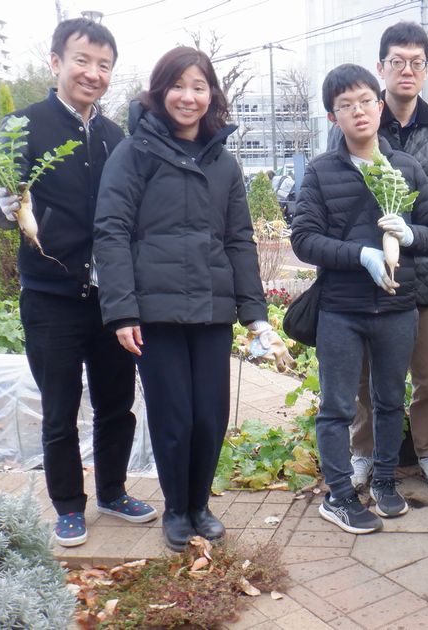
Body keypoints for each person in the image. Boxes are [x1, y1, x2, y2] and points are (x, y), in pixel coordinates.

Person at [93, 46, 288, 551]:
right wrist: (122, 310)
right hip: (154, 313)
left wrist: (255, 315)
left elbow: (239, 239)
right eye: (178, 86)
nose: (188, 96)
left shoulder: (223, 162)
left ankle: (201, 505)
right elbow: (111, 231)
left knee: (210, 416)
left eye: (199, 87)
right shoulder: (134, 153)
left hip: (210, 310)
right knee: (173, 416)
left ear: (211, 95)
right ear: (160, 92)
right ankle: (177, 509)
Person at [0, 18, 156, 548]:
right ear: (56, 62)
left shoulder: (115, 137)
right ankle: (67, 506)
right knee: (59, 410)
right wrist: (4, 206)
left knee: (116, 405)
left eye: (104, 65)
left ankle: (112, 492)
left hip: (109, 300)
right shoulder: (23, 125)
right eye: (82, 61)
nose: (93, 73)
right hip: (50, 298)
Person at [290, 63, 428, 534]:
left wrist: (409, 235)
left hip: (397, 307)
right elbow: (304, 240)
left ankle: (384, 481)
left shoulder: (406, 168)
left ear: (379, 107)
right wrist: (361, 255)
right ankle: (338, 495)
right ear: (332, 117)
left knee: (389, 400)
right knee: (337, 406)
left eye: (365, 102)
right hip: (341, 310)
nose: (358, 112)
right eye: (345, 106)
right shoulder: (321, 172)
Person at [326, 21, 428, 494]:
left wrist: (415, 234)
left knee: (427, 374)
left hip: (422, 272)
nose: (407, 70)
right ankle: (362, 452)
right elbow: (337, 192)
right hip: (366, 273)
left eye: (416, 62)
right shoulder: (359, 114)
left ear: (426, 70)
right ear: (381, 67)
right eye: (397, 61)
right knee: (365, 375)